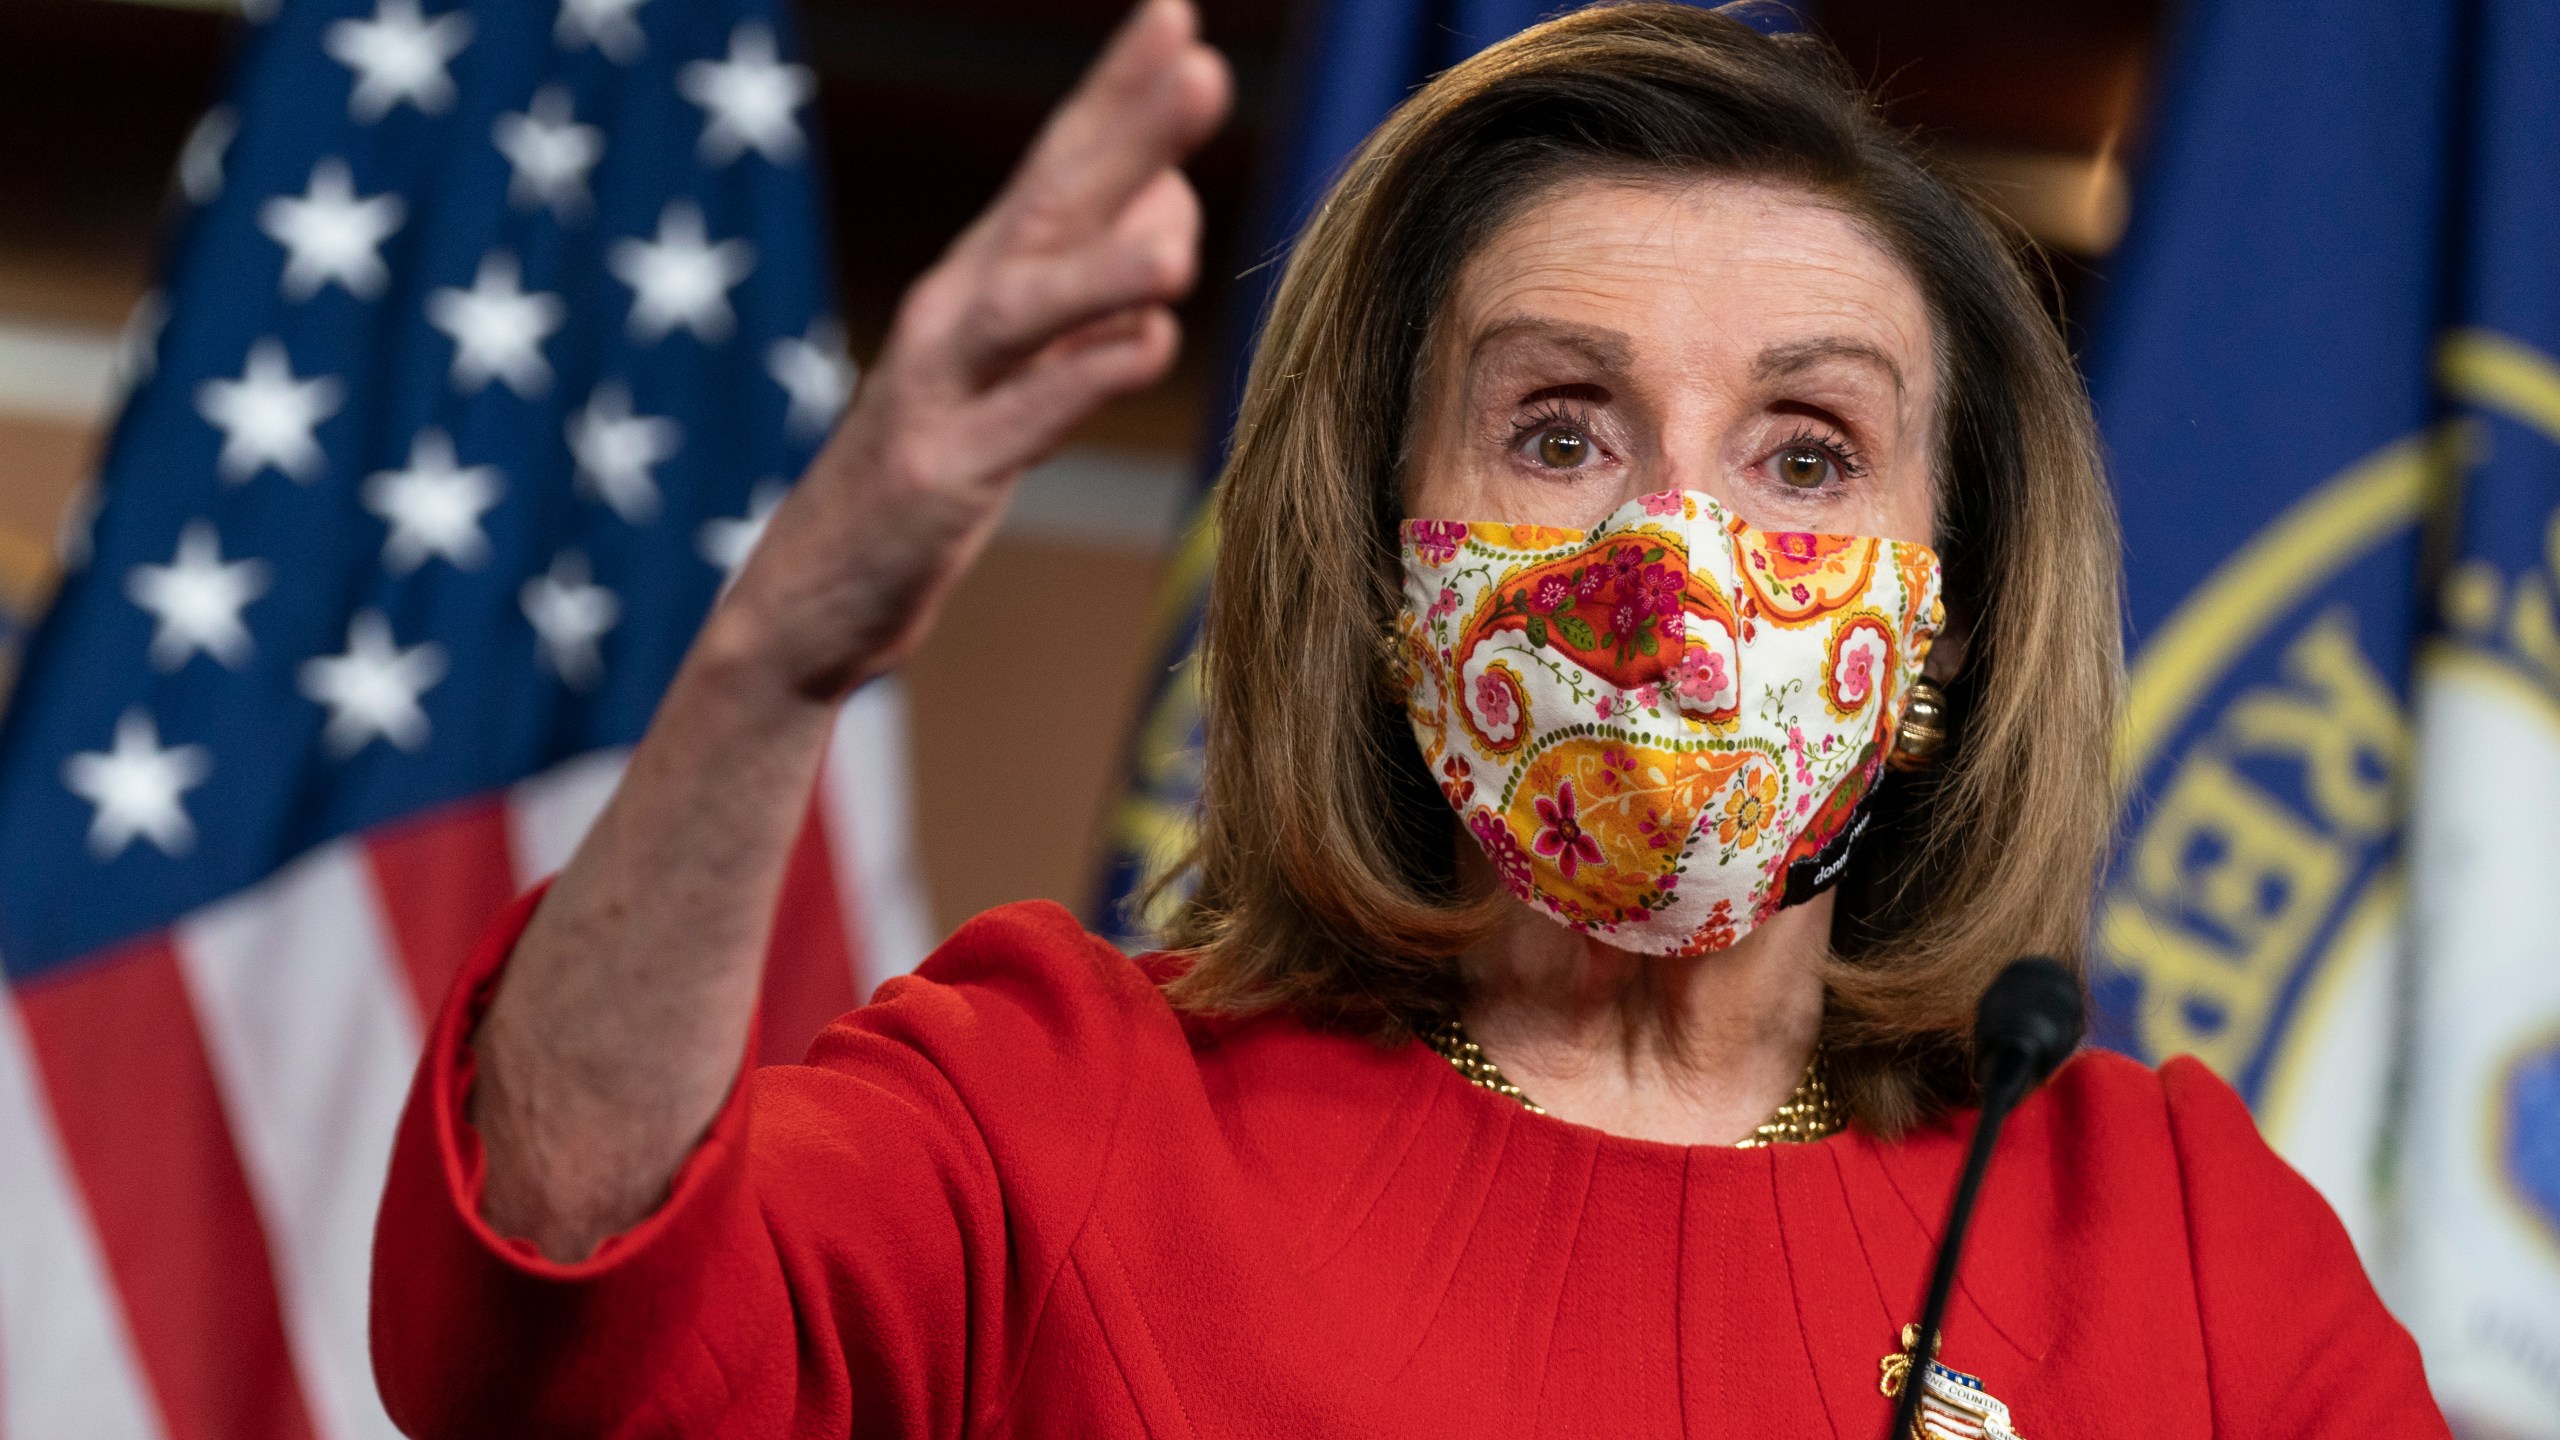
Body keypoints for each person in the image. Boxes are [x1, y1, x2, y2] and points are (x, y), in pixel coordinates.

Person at [370, 2, 2449, 1434]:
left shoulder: (2159, 1229)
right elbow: (549, 1317)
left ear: (1955, 622)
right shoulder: (1077, 1108)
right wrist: (774, 663)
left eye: (1805, 455)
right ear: (1383, 565)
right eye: (1559, 425)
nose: (1669, 546)